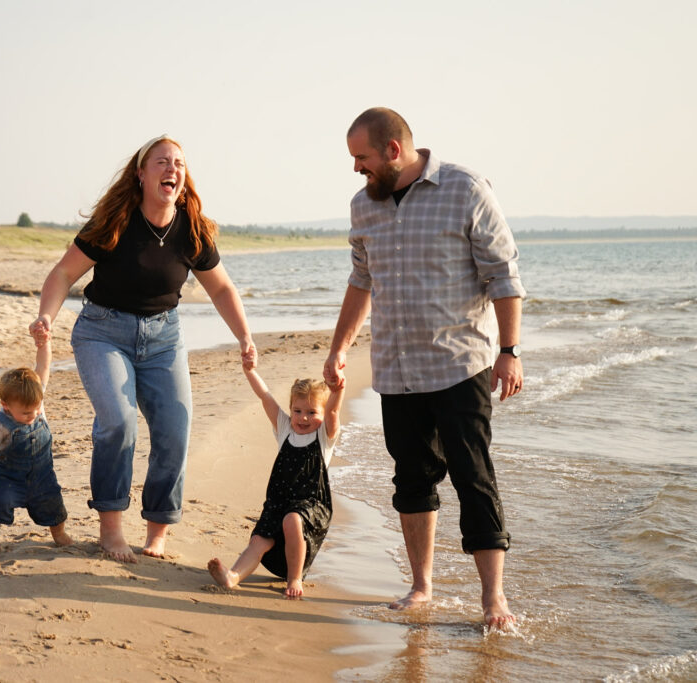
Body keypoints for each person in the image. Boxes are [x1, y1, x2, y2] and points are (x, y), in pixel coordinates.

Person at [324, 107, 525, 631]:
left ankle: (493, 598)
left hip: (461, 364)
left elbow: (503, 274)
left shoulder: (465, 189)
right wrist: (339, 347)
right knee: (411, 480)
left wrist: (510, 350)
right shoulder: (362, 207)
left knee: (474, 478)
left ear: (393, 150)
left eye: (361, 158)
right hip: (396, 367)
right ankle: (421, 586)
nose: (356, 169)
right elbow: (360, 281)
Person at [31, 135, 256, 563]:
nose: (172, 169)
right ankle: (111, 529)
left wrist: (245, 337)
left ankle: (158, 530)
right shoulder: (114, 221)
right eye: (161, 162)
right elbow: (62, 274)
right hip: (102, 331)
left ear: (184, 179)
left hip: (163, 338)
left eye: (179, 164)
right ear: (141, 173)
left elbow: (222, 288)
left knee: (174, 429)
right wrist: (47, 316)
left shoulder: (191, 230)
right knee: (118, 423)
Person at [208, 363, 345, 598]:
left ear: (322, 415)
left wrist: (337, 388)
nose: (303, 418)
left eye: (312, 412)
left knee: (293, 519)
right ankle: (233, 576)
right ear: (290, 409)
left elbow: (333, 411)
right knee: (259, 541)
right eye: (297, 410)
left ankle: (294, 579)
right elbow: (265, 396)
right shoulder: (285, 429)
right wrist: (250, 371)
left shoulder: (323, 436)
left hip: (311, 505)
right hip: (278, 503)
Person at [0, 335, 72, 552]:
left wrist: (44, 344)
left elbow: (43, 366)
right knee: (0, 504)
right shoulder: (1, 422)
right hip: (11, 477)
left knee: (53, 505)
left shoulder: (37, 402)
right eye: (26, 412)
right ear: (6, 406)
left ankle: (59, 533)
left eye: (37, 408)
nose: (34, 414)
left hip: (42, 475)